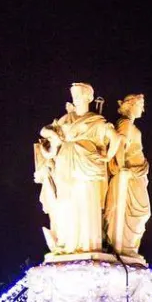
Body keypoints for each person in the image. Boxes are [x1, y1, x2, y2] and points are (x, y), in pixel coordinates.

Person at [34, 83, 120, 254]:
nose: (76, 98)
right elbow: (46, 134)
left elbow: (115, 138)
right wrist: (51, 138)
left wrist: (108, 156)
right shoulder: (65, 119)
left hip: (87, 165)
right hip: (65, 163)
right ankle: (69, 243)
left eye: (79, 95)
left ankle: (88, 244)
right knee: (67, 202)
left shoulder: (96, 121)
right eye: (74, 95)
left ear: (88, 98)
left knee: (85, 200)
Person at [105, 93, 151, 257]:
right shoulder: (124, 123)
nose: (143, 109)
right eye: (140, 105)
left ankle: (128, 248)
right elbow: (120, 144)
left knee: (142, 213)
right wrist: (123, 168)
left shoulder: (130, 125)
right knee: (139, 213)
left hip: (137, 175)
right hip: (129, 176)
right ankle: (125, 248)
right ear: (130, 105)